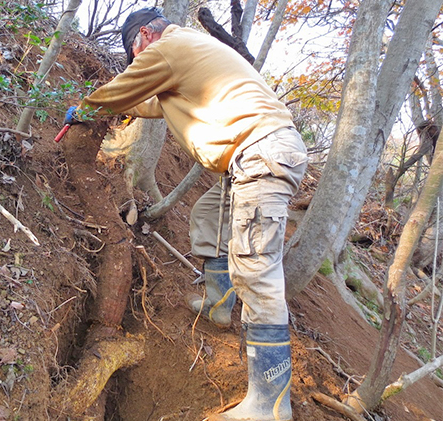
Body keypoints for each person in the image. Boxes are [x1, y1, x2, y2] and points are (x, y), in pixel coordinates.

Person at [65, 7, 308, 421]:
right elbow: (153, 103)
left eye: (134, 54)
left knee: (256, 270)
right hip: (254, 156)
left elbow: (125, 88)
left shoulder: (171, 46)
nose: (136, 62)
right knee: (208, 215)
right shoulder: (188, 50)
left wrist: (88, 109)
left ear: (144, 36)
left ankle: (269, 404)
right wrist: (125, 109)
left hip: (261, 154)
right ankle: (218, 304)